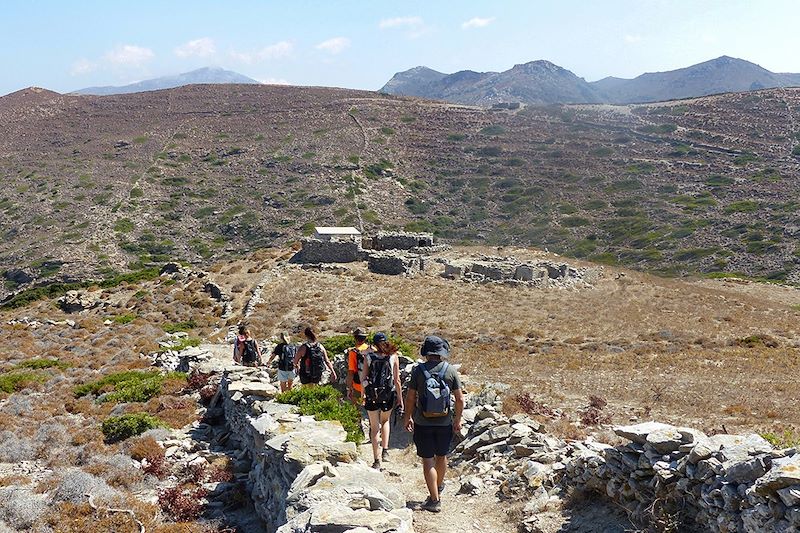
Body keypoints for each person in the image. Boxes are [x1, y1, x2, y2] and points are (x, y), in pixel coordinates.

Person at [402, 335, 463, 513]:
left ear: (426, 352)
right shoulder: (450, 370)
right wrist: (457, 420)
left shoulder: (418, 371)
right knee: (441, 457)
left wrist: (408, 417)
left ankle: (434, 500)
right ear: (441, 352)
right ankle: (436, 489)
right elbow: (459, 399)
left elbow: (411, 397)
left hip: (423, 422)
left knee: (428, 460)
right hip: (444, 423)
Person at [360, 332, 403, 470]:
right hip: (388, 394)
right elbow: (397, 380)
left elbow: (364, 379)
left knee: (374, 428)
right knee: (385, 421)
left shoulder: (369, 357)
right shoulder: (393, 357)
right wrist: (400, 399)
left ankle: (376, 460)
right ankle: (385, 450)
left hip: (372, 395)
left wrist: (363, 395)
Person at [346, 327, 370, 405]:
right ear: (365, 338)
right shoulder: (371, 350)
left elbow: (351, 372)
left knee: (355, 407)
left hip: (358, 385)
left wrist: (349, 388)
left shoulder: (353, 352)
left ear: (355, 338)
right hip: (370, 384)